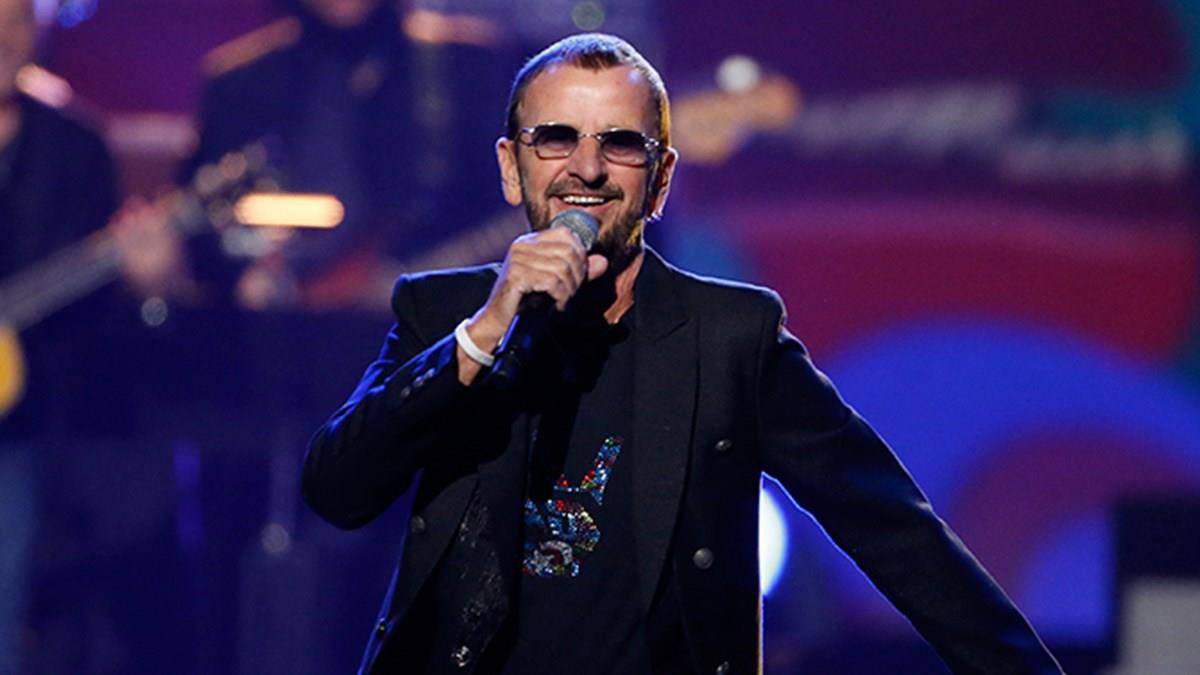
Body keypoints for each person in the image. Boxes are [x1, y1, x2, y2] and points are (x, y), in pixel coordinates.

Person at [302, 33, 1064, 674]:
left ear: (661, 179)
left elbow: (895, 531)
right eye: (557, 138)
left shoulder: (730, 336)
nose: (586, 168)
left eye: (620, 143)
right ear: (511, 166)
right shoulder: (442, 314)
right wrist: (484, 332)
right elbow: (338, 489)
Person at [179, 0, 513, 310]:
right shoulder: (238, 86)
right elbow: (199, 238)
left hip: (434, 332)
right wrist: (244, 280)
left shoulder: (467, 67)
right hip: (270, 338)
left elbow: (507, 211)